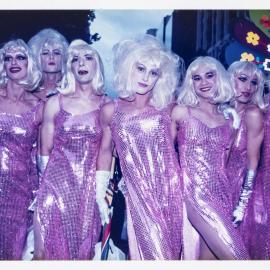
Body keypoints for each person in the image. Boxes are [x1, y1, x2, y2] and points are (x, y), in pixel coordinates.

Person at [96, 34, 184, 260]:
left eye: (153, 72)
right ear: (128, 67)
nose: (146, 77)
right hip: (137, 195)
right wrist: (100, 195)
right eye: (141, 68)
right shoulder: (111, 110)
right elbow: (105, 152)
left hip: (172, 192)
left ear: (160, 77)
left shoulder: (168, 109)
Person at [34, 39, 107, 260]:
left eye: (88, 58)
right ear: (70, 67)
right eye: (75, 59)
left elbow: (105, 153)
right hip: (53, 188)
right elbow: (44, 149)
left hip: (86, 193)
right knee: (41, 254)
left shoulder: (107, 105)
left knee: (79, 255)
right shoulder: (56, 103)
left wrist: (101, 195)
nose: (81, 63)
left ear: (97, 65)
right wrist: (42, 187)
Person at [171, 56, 250, 260]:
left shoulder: (228, 120)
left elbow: (227, 163)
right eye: (197, 78)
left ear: (220, 78)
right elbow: (164, 153)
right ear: (191, 83)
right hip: (196, 196)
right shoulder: (181, 112)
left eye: (209, 76)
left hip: (223, 196)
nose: (204, 82)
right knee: (238, 257)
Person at [0, 39, 43, 259]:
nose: (14, 62)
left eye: (20, 57)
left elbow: (40, 154)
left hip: (20, 194)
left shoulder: (38, 106)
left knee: (12, 253)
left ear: (29, 64)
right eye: (8, 58)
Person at [227, 61, 266, 258]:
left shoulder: (253, 114)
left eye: (253, 83)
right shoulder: (218, 112)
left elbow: (253, 162)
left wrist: (241, 205)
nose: (248, 87)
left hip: (242, 191)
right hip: (216, 189)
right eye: (242, 79)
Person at [28, 28, 69, 101]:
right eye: (45, 53)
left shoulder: (73, 89)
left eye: (56, 53)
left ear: (64, 57)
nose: (51, 57)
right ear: (36, 58)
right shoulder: (26, 90)